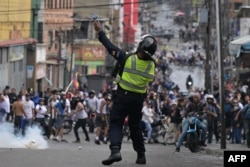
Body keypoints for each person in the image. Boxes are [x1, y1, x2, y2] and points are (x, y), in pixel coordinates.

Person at [94, 20, 157, 165]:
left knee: (116, 123)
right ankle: (141, 155)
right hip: (138, 100)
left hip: (123, 97)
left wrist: (100, 31)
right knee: (135, 126)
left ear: (140, 45)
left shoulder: (127, 58)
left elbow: (110, 47)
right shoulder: (152, 65)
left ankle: (115, 150)